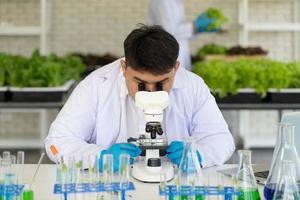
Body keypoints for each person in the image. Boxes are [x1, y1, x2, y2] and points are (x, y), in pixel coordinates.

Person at [45, 25, 235, 171]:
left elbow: (222, 140)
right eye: (140, 83)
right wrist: (100, 157)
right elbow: (57, 142)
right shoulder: (96, 85)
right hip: (111, 185)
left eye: (161, 83)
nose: (151, 92)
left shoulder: (193, 85)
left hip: (175, 185)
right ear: (124, 67)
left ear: (176, 68)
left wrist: (199, 155)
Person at [148, 0, 219, 71]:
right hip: (168, 57)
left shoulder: (177, 2)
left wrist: (198, 29)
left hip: (179, 58)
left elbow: (181, 33)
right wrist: (195, 26)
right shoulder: (163, 2)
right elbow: (168, 33)